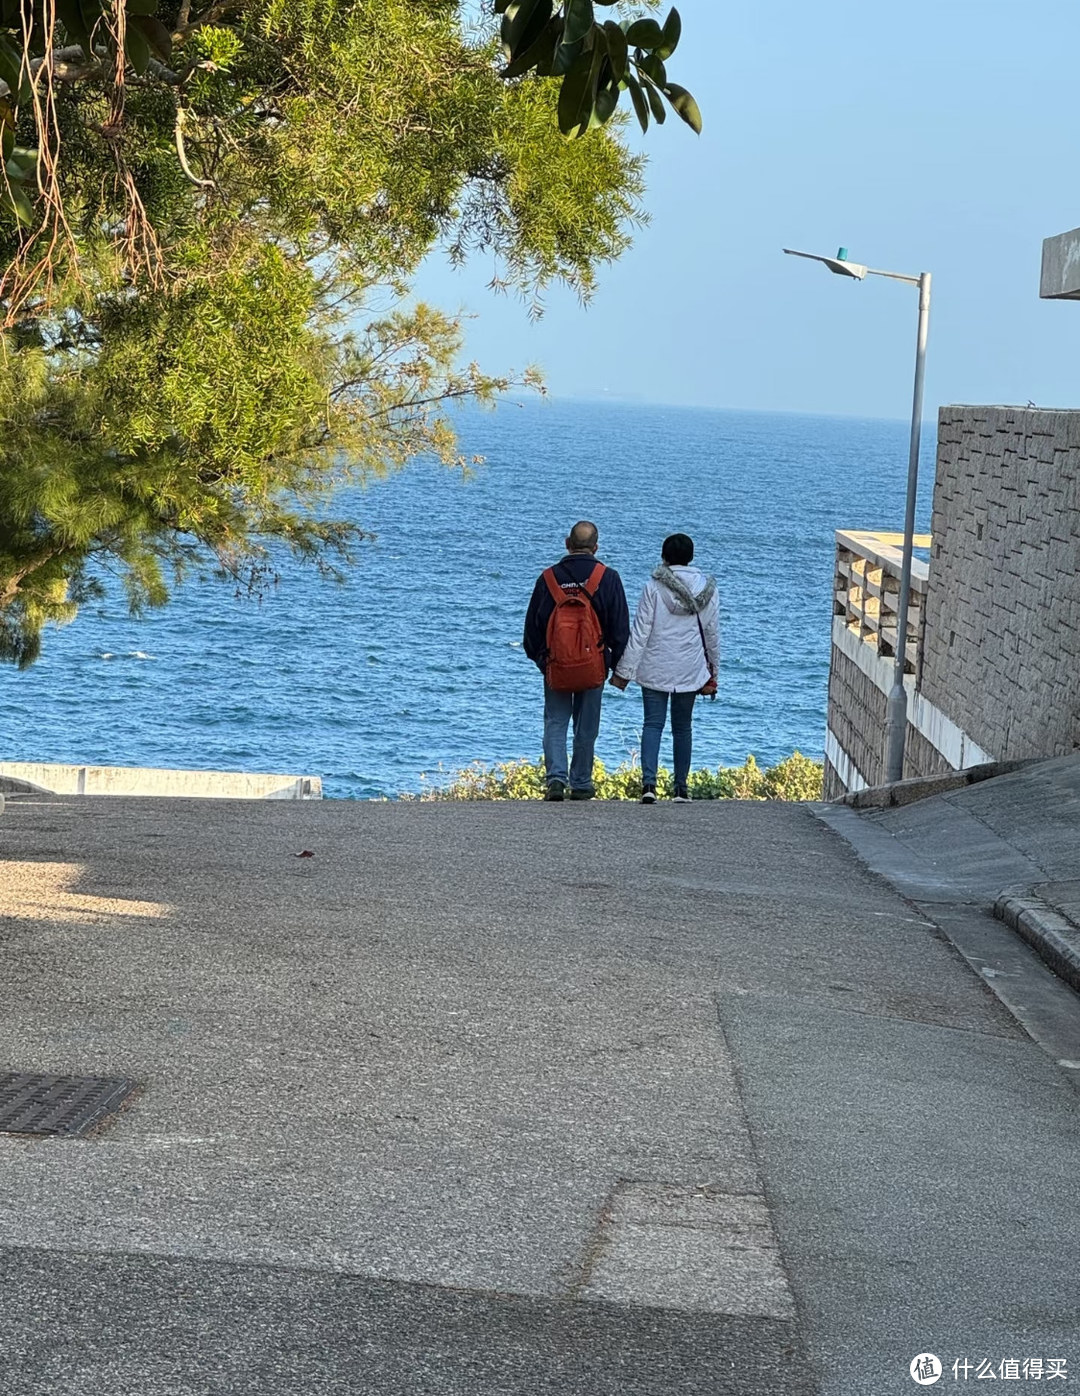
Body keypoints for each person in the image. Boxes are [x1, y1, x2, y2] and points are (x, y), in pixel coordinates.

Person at [523, 521, 630, 801]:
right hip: (593, 664)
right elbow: (620, 630)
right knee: (586, 725)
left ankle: (555, 780)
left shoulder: (547, 578)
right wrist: (616, 666)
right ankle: (581, 782)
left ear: (566, 543)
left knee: (555, 722)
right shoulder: (608, 578)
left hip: (556, 665)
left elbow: (532, 631)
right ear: (596, 548)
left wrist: (544, 661)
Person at [610, 533, 719, 804]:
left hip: (655, 666)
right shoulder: (708, 588)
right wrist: (714, 671)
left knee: (652, 724)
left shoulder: (653, 587)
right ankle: (681, 788)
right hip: (691, 668)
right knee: (683, 727)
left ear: (665, 556)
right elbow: (712, 633)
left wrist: (624, 670)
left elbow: (640, 632)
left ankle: (649, 785)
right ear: (691, 557)